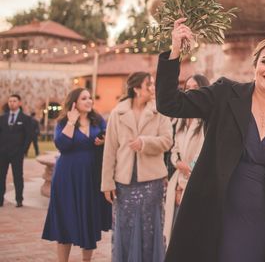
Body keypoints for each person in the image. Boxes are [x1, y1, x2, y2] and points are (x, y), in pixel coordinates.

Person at [155, 18, 265, 262]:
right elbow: (169, 103)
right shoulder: (224, 94)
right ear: (255, 64)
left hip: (259, 222)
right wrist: (175, 50)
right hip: (214, 214)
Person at [101, 72, 173, 262]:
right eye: (148, 84)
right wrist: (107, 183)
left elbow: (167, 141)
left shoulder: (160, 111)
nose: (152, 88)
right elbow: (109, 150)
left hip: (152, 183)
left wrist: (145, 143)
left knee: (150, 230)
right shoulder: (118, 113)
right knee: (125, 228)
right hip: (124, 183)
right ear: (136, 89)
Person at [42, 88, 111, 261]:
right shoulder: (63, 122)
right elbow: (62, 145)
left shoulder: (98, 120)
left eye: (90, 98)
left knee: (89, 217)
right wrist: (71, 123)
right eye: (84, 98)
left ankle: (86, 260)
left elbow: (110, 138)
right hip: (67, 177)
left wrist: (104, 141)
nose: (89, 101)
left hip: (91, 177)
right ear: (74, 102)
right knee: (66, 218)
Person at [163, 74, 209, 245]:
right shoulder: (181, 119)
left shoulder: (207, 119)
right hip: (179, 176)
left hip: (196, 179)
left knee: (190, 231)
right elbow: (174, 149)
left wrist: (189, 168)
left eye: (194, 87)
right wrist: (177, 163)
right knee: (173, 228)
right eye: (187, 88)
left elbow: (204, 151)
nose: (190, 91)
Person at [0, 94, 33, 207]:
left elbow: (29, 136)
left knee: (18, 176)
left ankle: (19, 200)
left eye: (14, 101)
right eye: (10, 101)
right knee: (1, 176)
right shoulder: (2, 118)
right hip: (2, 153)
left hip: (17, 153)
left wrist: (23, 151)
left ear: (19, 103)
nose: (11, 103)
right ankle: (0, 199)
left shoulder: (26, 119)